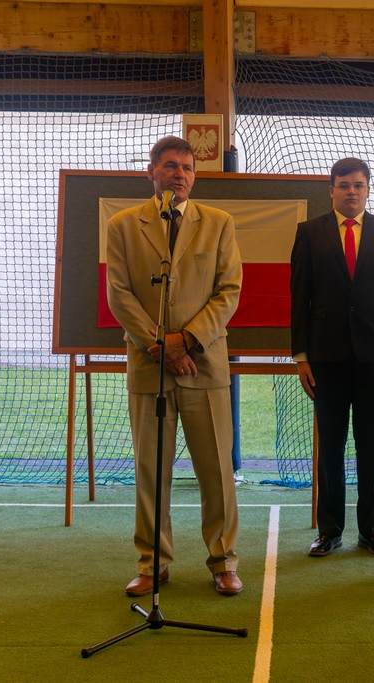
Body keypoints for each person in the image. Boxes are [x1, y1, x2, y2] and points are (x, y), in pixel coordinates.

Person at [106, 135, 244, 596]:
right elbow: (119, 293)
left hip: (205, 366)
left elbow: (228, 291)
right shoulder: (124, 225)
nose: (178, 174)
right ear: (151, 172)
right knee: (150, 472)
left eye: (186, 167)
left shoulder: (219, 223)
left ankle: (223, 561)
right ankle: (152, 564)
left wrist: (185, 341)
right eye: (169, 166)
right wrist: (158, 345)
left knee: (217, 472)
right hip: (149, 367)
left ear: (194, 176)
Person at [290, 157, 374, 558]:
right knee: (330, 447)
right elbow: (299, 297)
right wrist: (301, 356)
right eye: (343, 185)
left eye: (358, 185)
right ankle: (329, 532)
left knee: (372, 446)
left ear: (368, 189)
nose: (351, 192)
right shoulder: (309, 233)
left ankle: (372, 531)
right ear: (331, 190)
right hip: (325, 359)